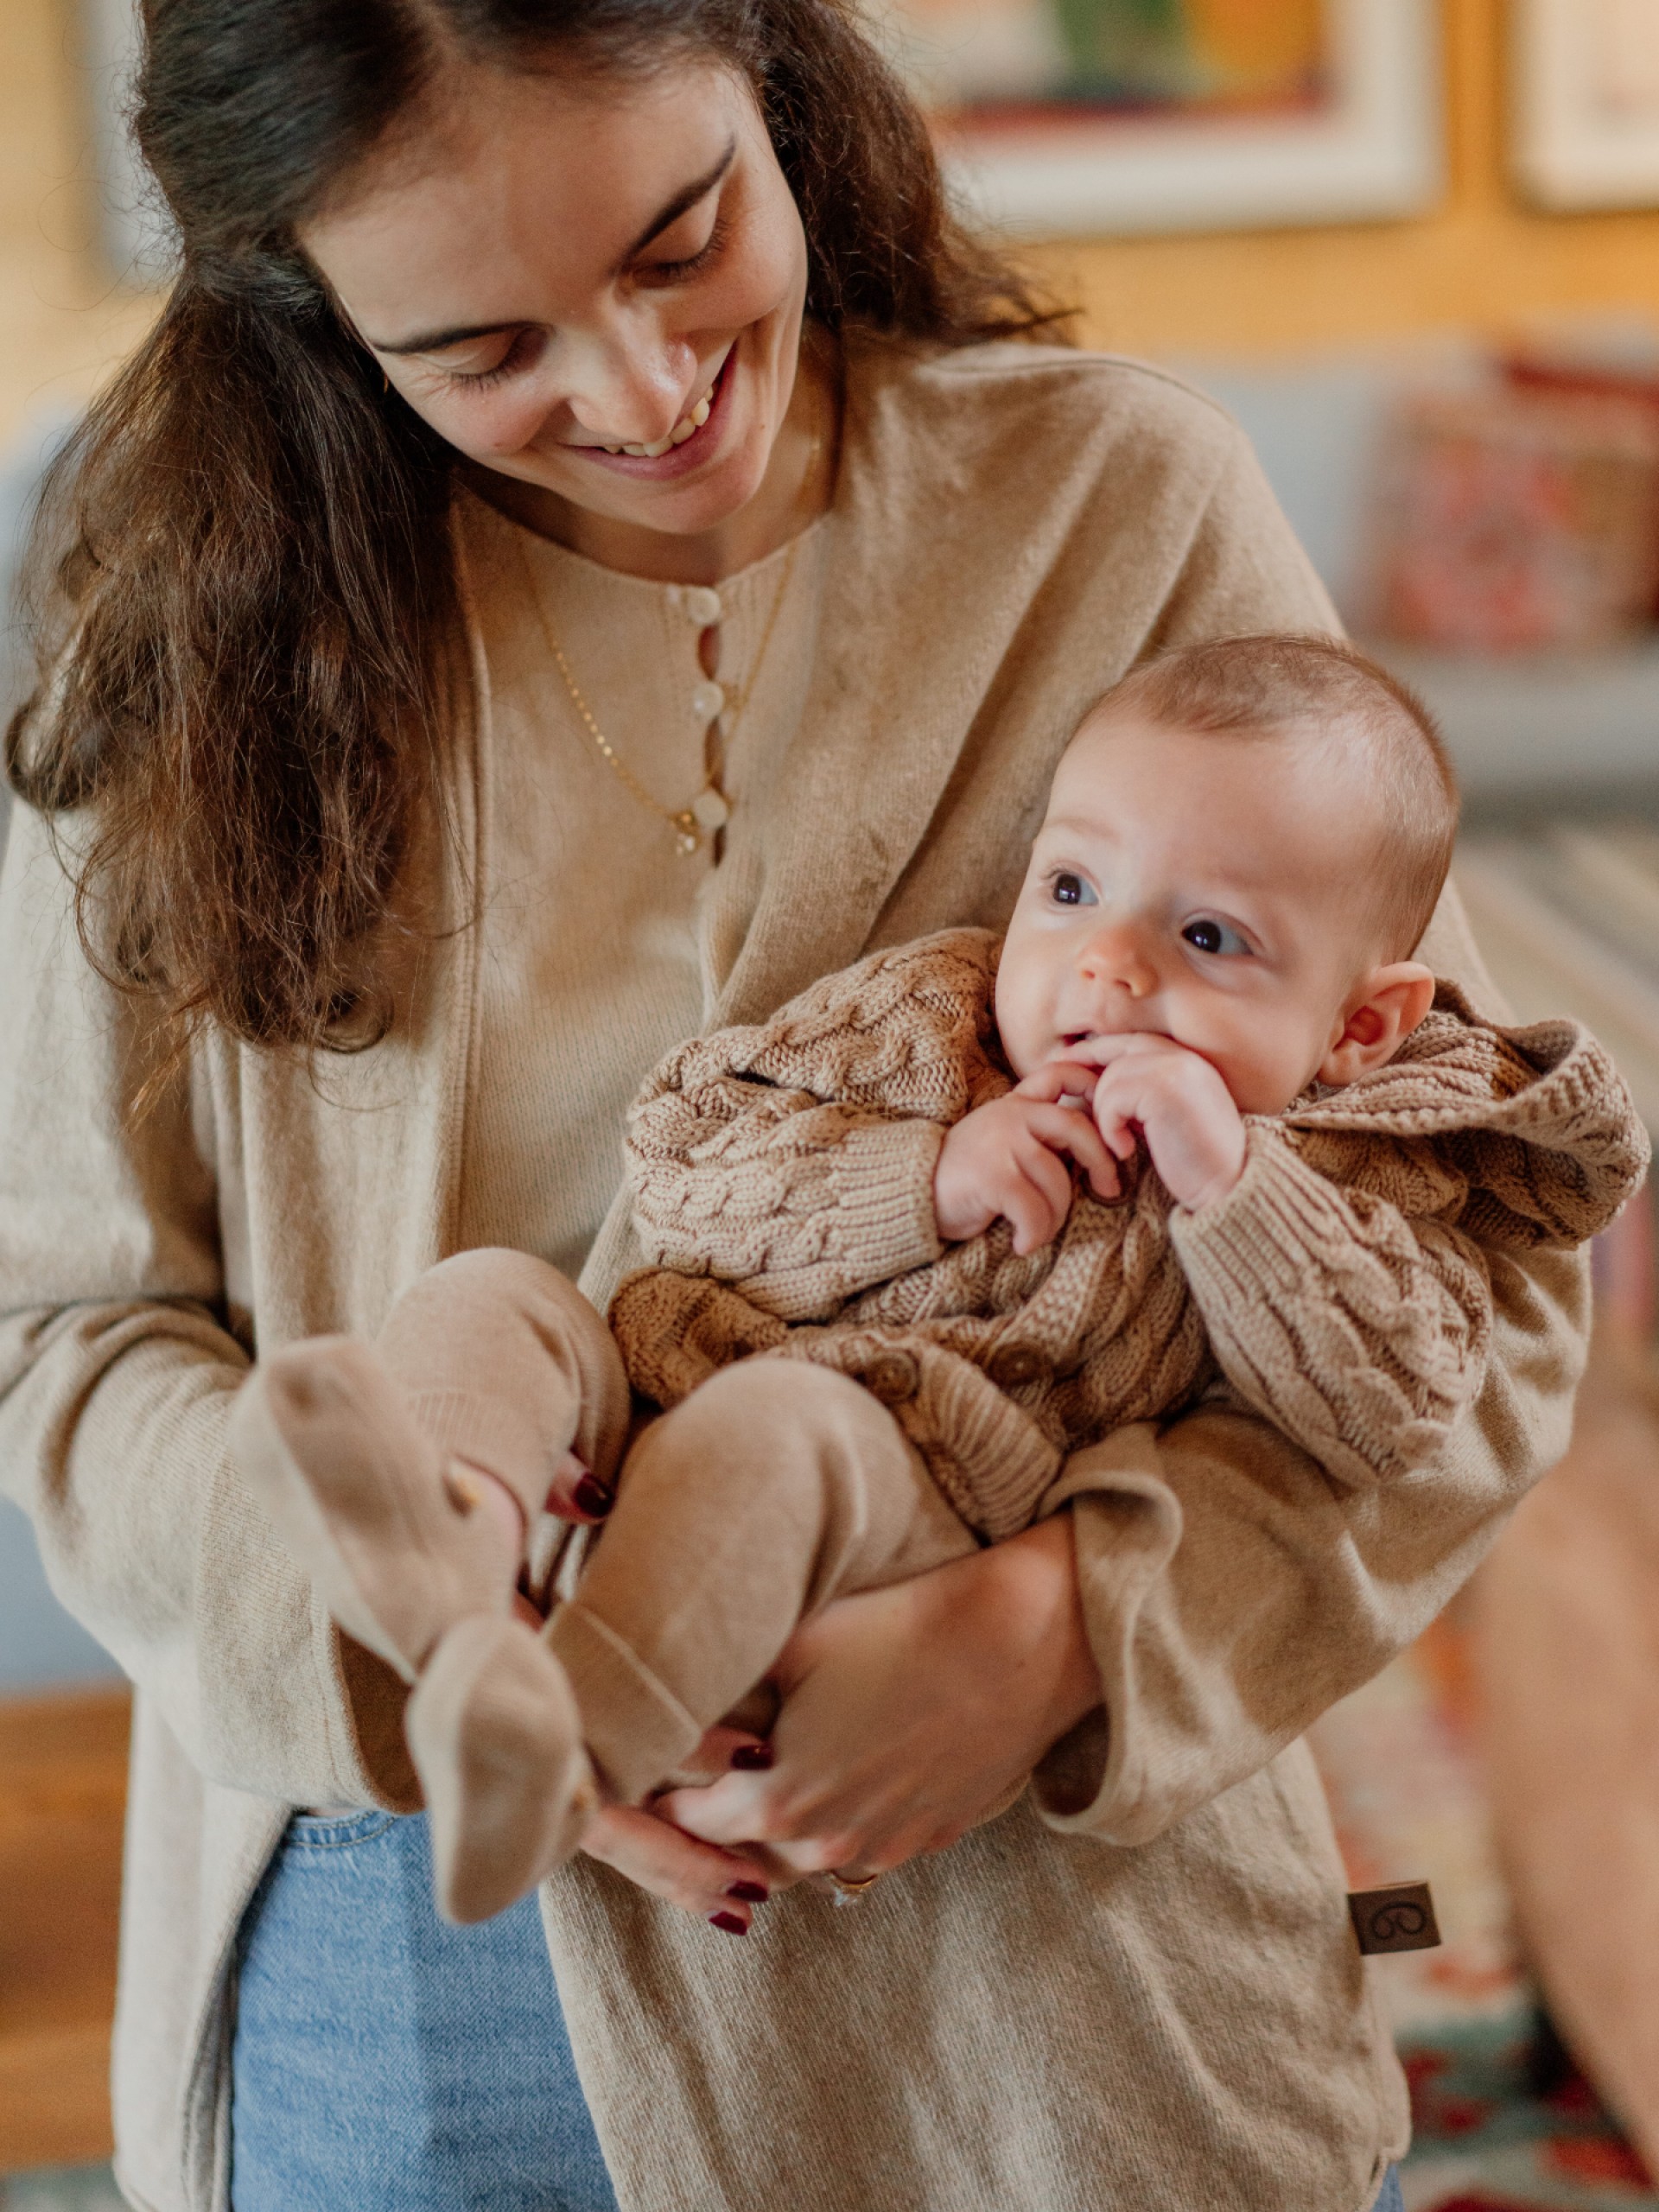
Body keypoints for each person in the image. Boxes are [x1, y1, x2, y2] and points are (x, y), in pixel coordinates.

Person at [0, 2, 1591, 2207]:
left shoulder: (1114, 511)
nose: (647, 396)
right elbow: (71, 1343)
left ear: (770, 72)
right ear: (303, 308)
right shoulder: (182, 640)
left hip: (1038, 1983)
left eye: (683, 237)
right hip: (416, 1952)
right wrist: (441, 1681)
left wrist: (1062, 1635)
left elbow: (1481, 1286)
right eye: (481, 348)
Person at [228, 632, 1645, 1928]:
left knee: (772, 1441)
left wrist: (1236, 1187)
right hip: (643, 1370)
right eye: (1074, 888)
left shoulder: (1344, 1165)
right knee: (492, 1299)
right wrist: (926, 1177)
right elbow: (679, 1160)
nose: (1108, 964)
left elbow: (1391, 1410)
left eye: (1207, 939)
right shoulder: (934, 1013)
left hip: (912, 1477)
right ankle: (451, 1532)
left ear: (1358, 1027)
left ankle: (563, 1740)